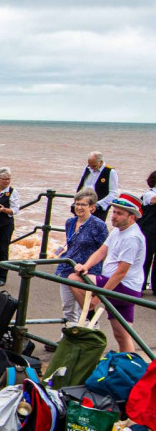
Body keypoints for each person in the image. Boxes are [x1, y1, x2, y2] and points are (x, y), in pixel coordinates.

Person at [69, 194, 146, 352]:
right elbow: (102, 251)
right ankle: (130, 368)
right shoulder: (118, 230)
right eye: (114, 212)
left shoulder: (132, 238)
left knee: (73, 279)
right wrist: (86, 265)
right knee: (122, 335)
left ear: (131, 217)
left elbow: (121, 273)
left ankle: (89, 314)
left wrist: (98, 298)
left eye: (119, 214)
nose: (114, 216)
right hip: (119, 286)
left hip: (124, 287)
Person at [52, 189, 107, 328]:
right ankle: (67, 337)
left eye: (83, 205)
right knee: (68, 307)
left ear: (92, 207)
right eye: (77, 204)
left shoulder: (99, 225)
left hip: (86, 271)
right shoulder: (70, 222)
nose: (79, 207)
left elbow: (104, 250)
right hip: (67, 267)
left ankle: (90, 334)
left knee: (84, 308)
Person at [76, 151, 119, 222]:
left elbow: (113, 194)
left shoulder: (110, 171)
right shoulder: (88, 169)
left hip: (99, 209)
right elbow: (82, 186)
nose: (92, 168)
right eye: (90, 165)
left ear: (101, 162)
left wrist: (97, 205)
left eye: (94, 166)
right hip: (83, 206)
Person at [140, 171, 156, 296]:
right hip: (148, 230)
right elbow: (153, 200)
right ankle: (140, 285)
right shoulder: (149, 194)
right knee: (145, 258)